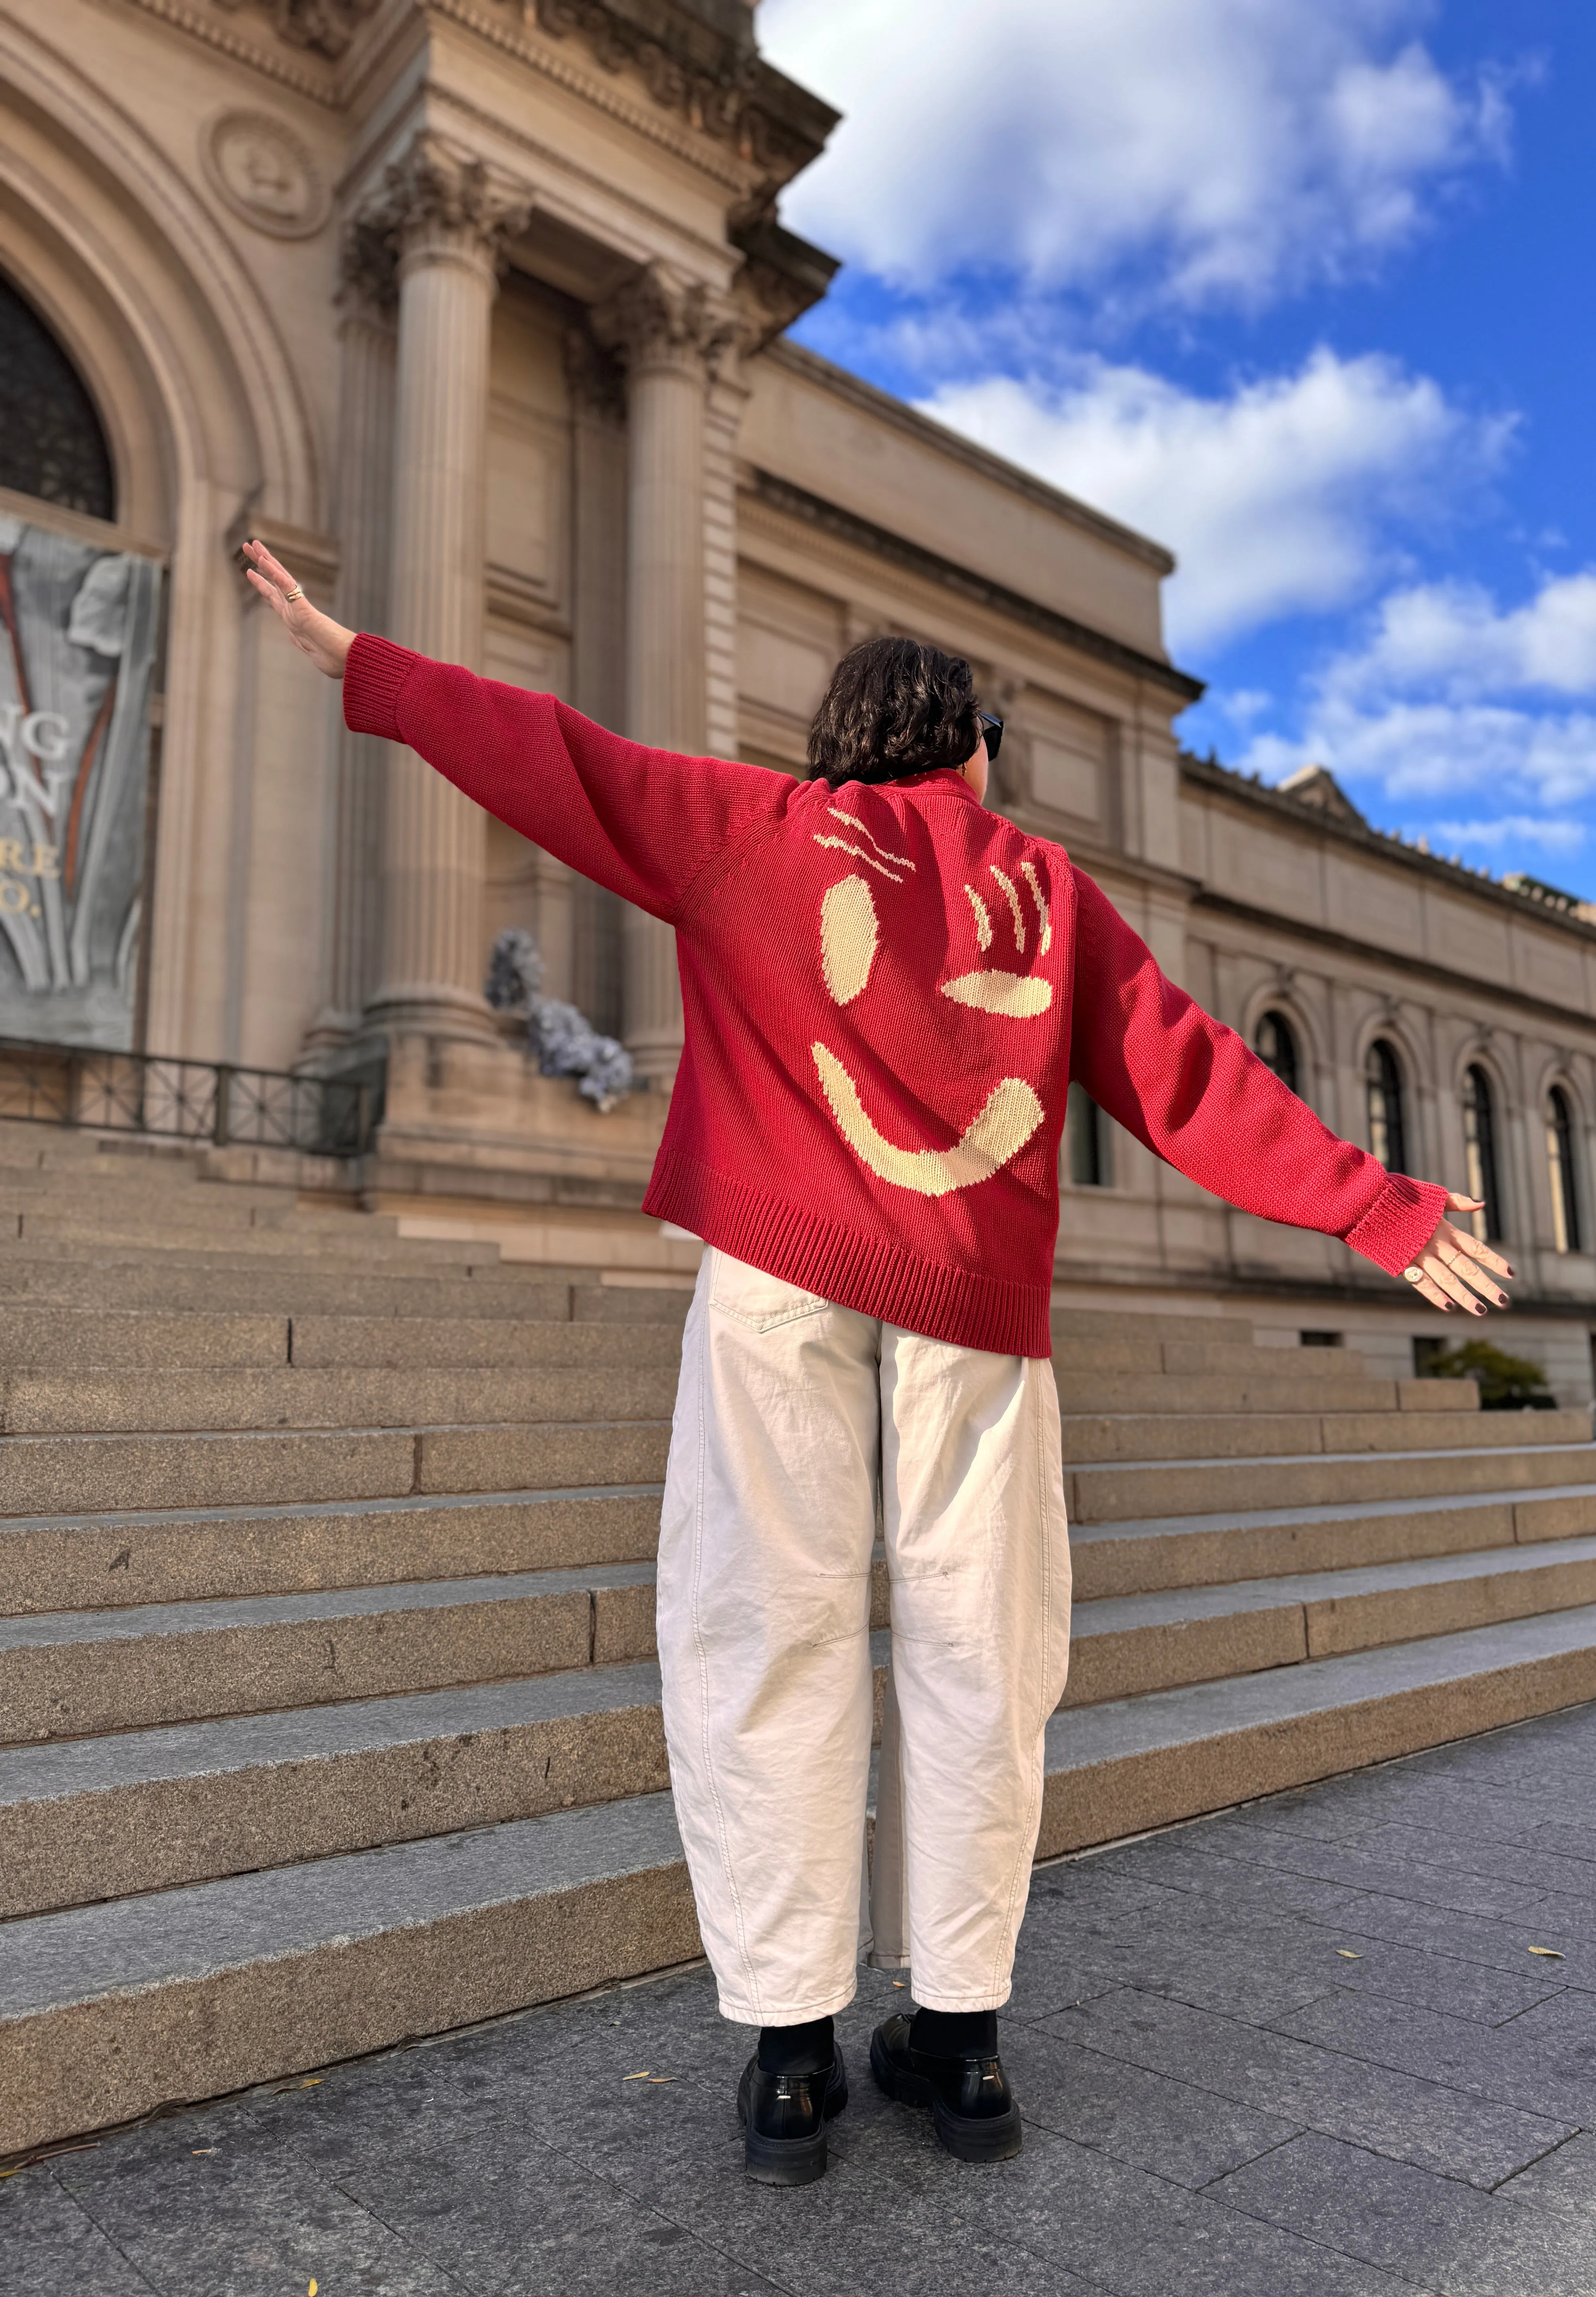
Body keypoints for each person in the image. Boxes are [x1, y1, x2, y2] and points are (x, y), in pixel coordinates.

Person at [244, 538, 1514, 2185]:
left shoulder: (746, 828)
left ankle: (789, 2052)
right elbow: (1190, 1077)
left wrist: (358, 659)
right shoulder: (1046, 896)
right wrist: (1378, 1205)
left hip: (780, 1279)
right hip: (972, 1307)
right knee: (981, 1653)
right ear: (973, 749)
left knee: (763, 1630)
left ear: (836, 743)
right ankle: (964, 2044)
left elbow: (547, 751)